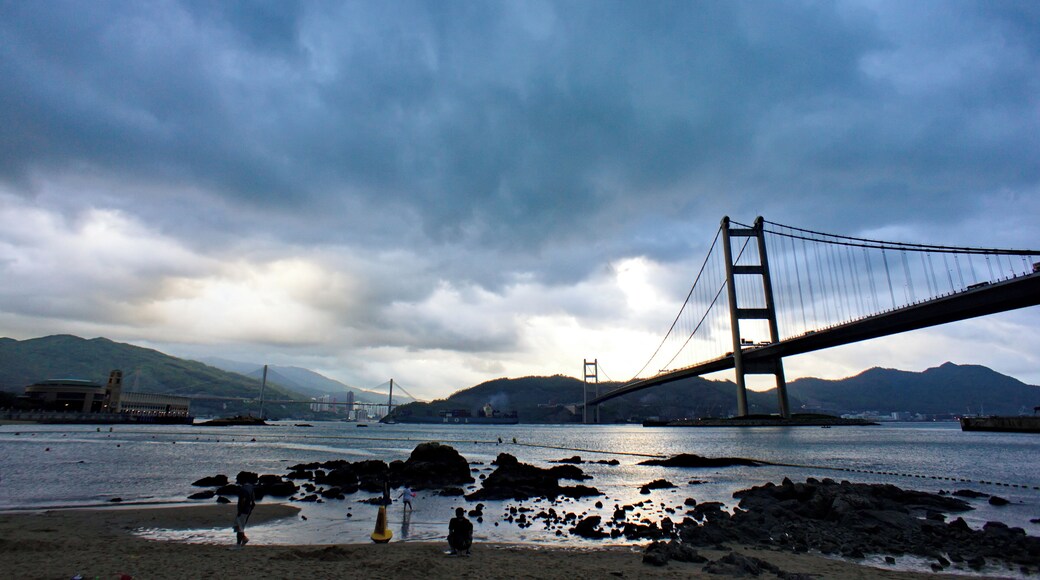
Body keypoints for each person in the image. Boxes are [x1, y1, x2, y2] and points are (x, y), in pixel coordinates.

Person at [233, 482, 256, 546]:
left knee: (239, 527)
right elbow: (253, 500)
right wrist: (251, 508)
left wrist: (240, 511)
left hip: (243, 510)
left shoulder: (243, 490)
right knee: (239, 526)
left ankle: (238, 544)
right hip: (248, 509)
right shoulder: (250, 487)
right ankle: (244, 538)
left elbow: (243, 500)